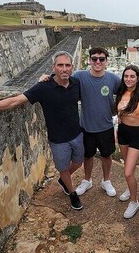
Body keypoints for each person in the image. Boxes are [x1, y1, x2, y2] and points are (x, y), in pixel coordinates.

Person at [0, 51, 84, 210]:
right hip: (58, 139)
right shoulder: (43, 88)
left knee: (78, 162)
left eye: (67, 65)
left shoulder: (76, 83)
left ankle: (64, 179)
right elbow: (16, 101)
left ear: (72, 67)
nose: (64, 69)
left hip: (77, 134)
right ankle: (72, 193)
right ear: (53, 67)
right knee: (62, 168)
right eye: (60, 65)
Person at [40, 47, 120, 197]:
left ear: (106, 62)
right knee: (87, 156)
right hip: (86, 127)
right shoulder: (79, 77)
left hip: (106, 126)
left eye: (101, 59)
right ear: (89, 60)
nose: (98, 62)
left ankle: (106, 180)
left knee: (106, 155)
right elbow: (62, 76)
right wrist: (47, 77)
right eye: (94, 59)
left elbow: (127, 90)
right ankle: (87, 180)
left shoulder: (113, 79)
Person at [115, 65, 139, 218]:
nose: (128, 79)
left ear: (137, 78)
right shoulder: (121, 91)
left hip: (137, 134)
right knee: (126, 166)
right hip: (122, 132)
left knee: (129, 172)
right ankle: (130, 188)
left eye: (132, 76)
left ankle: (134, 202)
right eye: (126, 76)